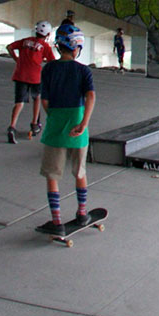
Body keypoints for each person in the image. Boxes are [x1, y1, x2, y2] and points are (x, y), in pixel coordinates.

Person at [37, 31, 96, 229]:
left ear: (58, 46)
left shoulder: (48, 69)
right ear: (76, 48)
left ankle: (57, 221)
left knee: (52, 175)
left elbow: (44, 100)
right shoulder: (83, 71)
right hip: (78, 125)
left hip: (55, 126)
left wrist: (53, 117)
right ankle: (82, 213)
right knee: (80, 172)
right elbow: (91, 97)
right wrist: (84, 123)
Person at [5, 20, 54, 143]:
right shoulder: (45, 46)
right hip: (35, 76)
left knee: (19, 102)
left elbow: (9, 47)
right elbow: (52, 62)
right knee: (37, 97)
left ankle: (12, 126)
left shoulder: (25, 41)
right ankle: (34, 124)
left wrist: (16, 59)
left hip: (20, 75)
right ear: (48, 35)